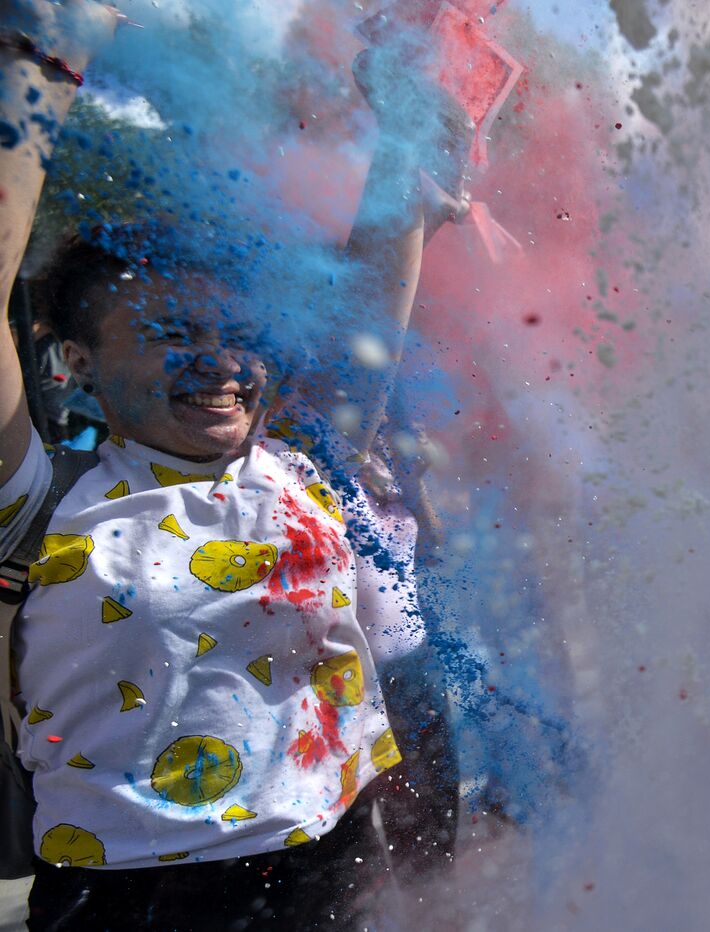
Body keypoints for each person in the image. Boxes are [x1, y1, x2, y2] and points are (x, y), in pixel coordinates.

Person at [0, 1, 471, 926]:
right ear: (80, 359)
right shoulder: (42, 497)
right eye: (172, 332)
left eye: (239, 335)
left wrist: (405, 133)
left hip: (330, 875)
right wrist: (43, 61)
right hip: (126, 901)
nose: (217, 361)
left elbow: (376, 303)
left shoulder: (308, 472)